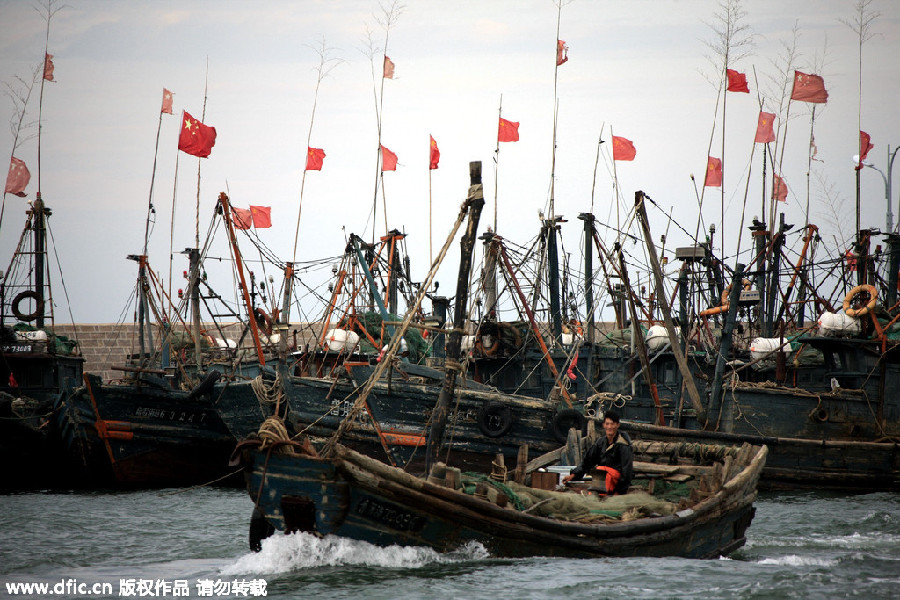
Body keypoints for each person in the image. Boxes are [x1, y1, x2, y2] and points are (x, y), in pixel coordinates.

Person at [562, 409, 633, 495]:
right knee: (599, 472)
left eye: (612, 424)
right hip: (601, 481)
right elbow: (587, 462)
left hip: (616, 484)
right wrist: (573, 475)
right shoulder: (600, 443)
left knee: (601, 470)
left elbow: (627, 473)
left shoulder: (624, 445)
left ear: (617, 425)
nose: (610, 427)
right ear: (604, 425)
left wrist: (618, 492)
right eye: (607, 424)